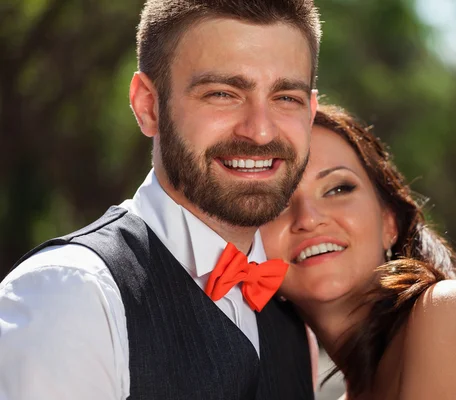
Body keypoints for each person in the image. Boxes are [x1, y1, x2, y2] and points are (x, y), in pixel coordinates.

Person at [0, 1, 322, 399]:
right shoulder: (71, 296)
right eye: (222, 93)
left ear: (310, 113)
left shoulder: (295, 323)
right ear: (148, 105)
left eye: (285, 97)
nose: (259, 131)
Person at [260, 104, 456, 400]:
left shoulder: (450, 311)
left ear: (389, 221)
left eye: (338, 189)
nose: (309, 218)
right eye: (278, 201)